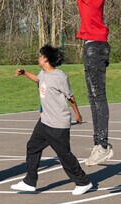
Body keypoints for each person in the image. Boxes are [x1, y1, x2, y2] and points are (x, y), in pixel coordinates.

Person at [48, 0, 119, 166]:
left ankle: (103, 145)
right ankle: (100, 144)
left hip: (95, 49)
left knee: (98, 97)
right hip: (94, 48)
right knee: (93, 96)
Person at [11, 45, 93, 195]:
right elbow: (37, 79)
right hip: (44, 121)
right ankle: (30, 182)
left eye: (40, 56)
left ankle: (83, 182)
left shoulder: (60, 77)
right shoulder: (43, 73)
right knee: (32, 146)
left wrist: (77, 113)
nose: (38, 58)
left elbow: (70, 97)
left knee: (64, 155)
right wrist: (24, 73)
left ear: (46, 59)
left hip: (58, 123)